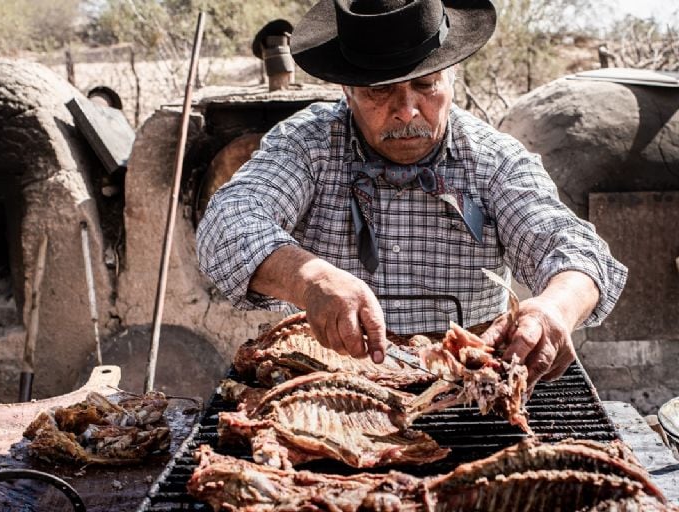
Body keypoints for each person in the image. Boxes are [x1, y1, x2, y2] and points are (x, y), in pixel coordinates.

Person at [196, 0, 627, 391]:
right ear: (347, 92)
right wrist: (311, 279)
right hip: (329, 390)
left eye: (426, 85)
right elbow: (227, 223)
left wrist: (556, 307)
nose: (406, 110)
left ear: (452, 77)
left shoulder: (493, 159)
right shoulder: (307, 145)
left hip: (463, 390)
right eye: (380, 91)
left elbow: (571, 246)